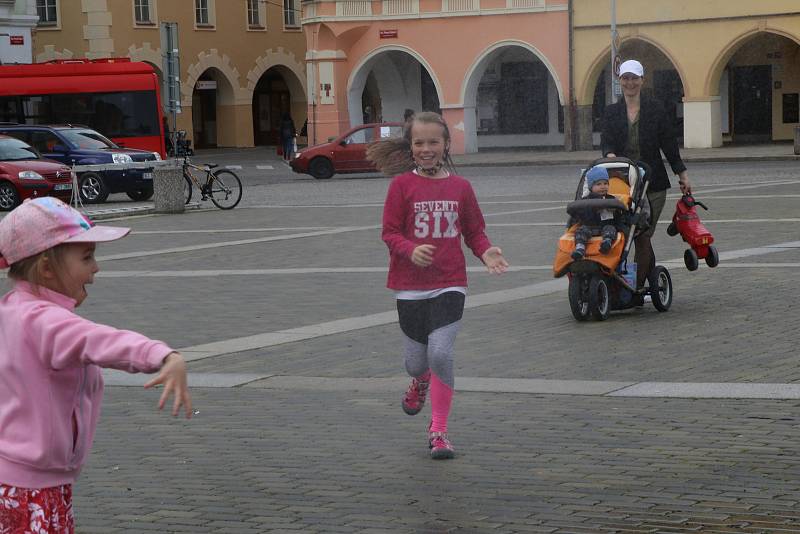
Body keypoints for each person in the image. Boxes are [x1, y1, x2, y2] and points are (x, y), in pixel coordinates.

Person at [0, 197, 192, 533]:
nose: (96, 268)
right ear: (47, 268)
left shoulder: (11, 309)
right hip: (32, 490)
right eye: (87, 257)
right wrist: (163, 355)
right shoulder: (46, 322)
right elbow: (100, 340)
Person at [368, 111, 508, 460]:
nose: (426, 148)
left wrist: (486, 252)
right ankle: (420, 381)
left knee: (441, 353)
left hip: (450, 283)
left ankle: (439, 431)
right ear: (411, 147)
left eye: (433, 142)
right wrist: (410, 250)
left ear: (446, 144)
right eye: (419, 142)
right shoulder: (401, 186)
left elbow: (474, 232)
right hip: (410, 285)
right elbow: (389, 233)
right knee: (416, 362)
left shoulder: (461, 187)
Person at [601, 59, 692, 289]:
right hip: (623, 183)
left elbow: (669, 145)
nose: (630, 82)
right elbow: (607, 143)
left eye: (634, 78)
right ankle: (645, 276)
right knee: (628, 232)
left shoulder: (655, 109)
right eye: (625, 78)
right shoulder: (612, 112)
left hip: (653, 183)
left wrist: (682, 174)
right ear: (619, 81)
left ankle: (637, 286)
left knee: (642, 234)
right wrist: (610, 155)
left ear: (642, 80)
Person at [569, 166, 626, 261]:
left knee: (611, 229)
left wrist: (616, 211)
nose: (603, 186)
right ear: (591, 187)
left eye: (605, 183)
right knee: (581, 231)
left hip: (606, 226)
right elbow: (581, 216)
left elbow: (619, 215)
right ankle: (580, 248)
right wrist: (593, 209)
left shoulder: (612, 199)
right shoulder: (586, 200)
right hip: (590, 226)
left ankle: (607, 243)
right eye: (598, 184)